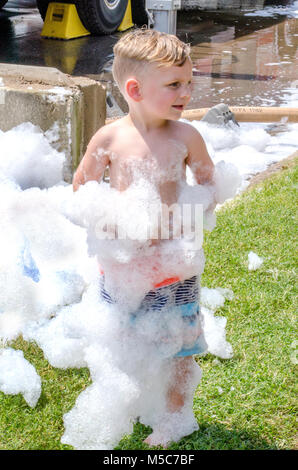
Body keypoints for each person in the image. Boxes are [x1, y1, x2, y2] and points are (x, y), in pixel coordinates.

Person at [72, 28, 215, 447]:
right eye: (174, 84)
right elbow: (84, 188)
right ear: (134, 88)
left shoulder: (186, 137)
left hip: (174, 265)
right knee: (124, 339)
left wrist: (187, 224)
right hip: (125, 265)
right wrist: (107, 230)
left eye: (189, 82)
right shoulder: (110, 138)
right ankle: (129, 401)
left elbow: (207, 187)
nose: (186, 92)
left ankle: (173, 416)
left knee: (181, 349)